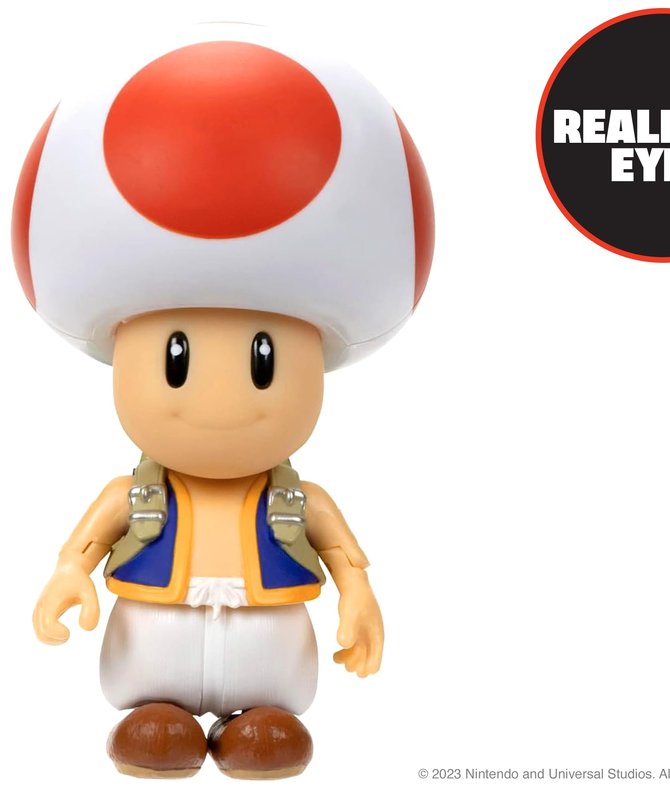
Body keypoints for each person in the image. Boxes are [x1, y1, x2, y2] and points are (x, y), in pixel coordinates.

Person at [13, 23, 433, 780]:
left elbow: (343, 555)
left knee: (273, 697)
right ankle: (159, 718)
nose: (219, 402)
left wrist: (360, 597)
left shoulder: (302, 502)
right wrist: (68, 573)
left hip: (268, 643)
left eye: (263, 362)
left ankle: (262, 723)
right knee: (151, 700)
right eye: (175, 360)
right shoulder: (133, 496)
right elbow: (86, 545)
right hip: (154, 633)